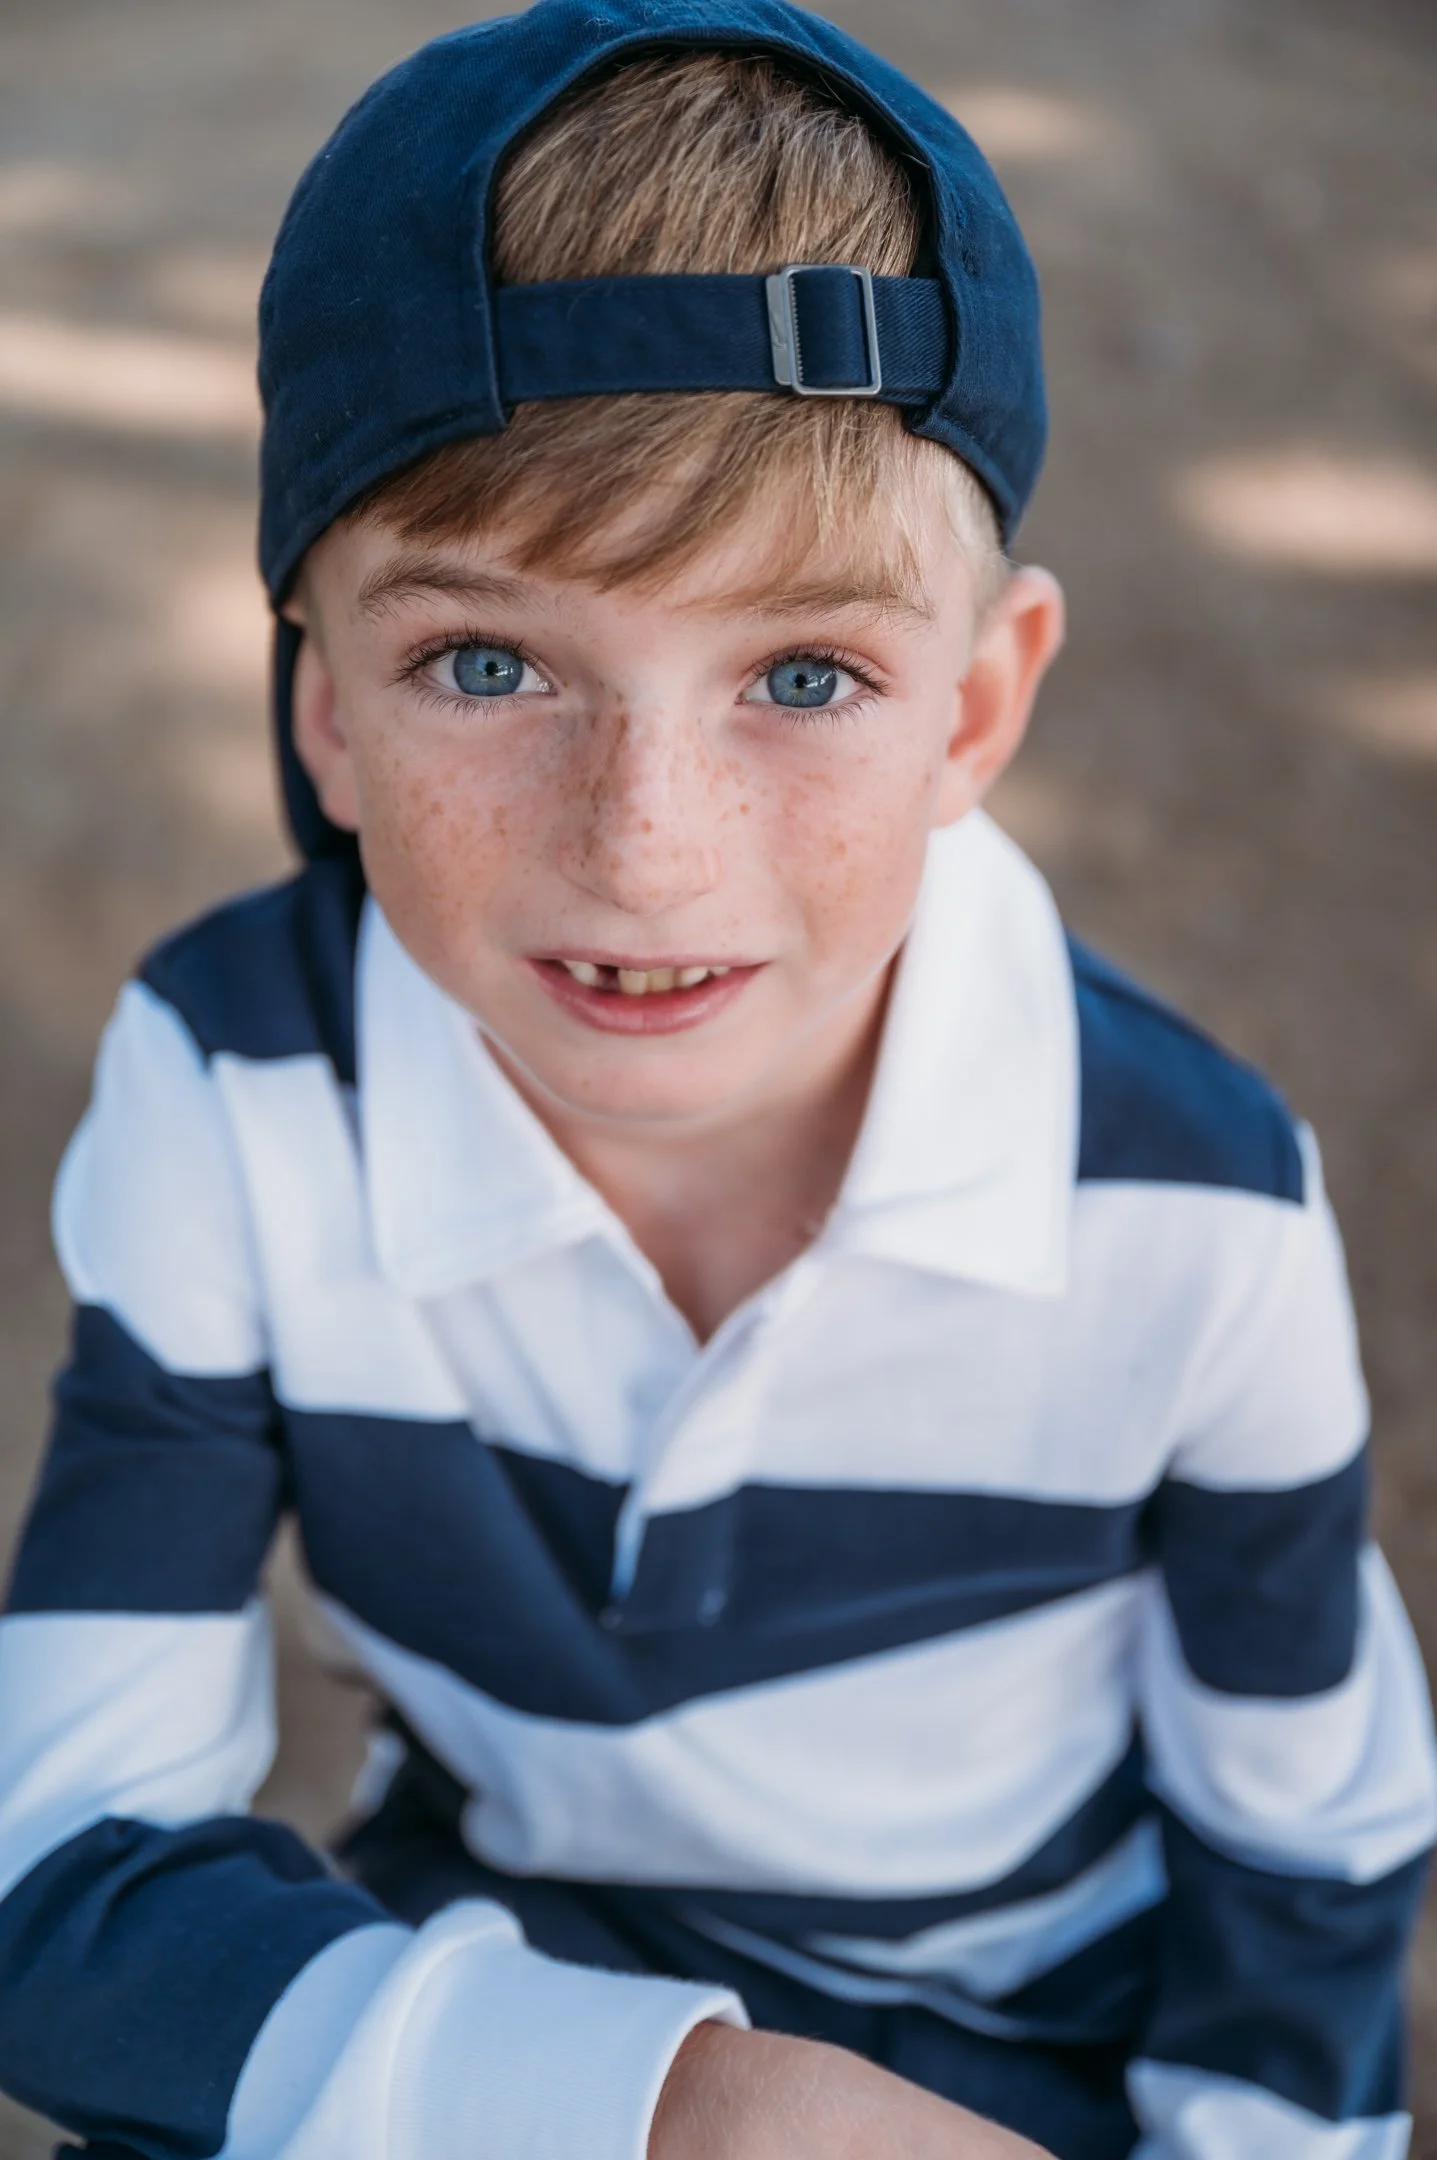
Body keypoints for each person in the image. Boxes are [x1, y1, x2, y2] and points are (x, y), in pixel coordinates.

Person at [0, 3, 1432, 2156]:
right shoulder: (234, 1092)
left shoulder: (1193, 1209)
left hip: (1033, 2050)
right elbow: (55, 1876)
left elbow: (1304, 1871)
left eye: (802, 673)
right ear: (318, 710)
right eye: (485, 663)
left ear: (973, 706)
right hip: (520, 1988)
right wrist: (693, 2111)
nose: (644, 845)